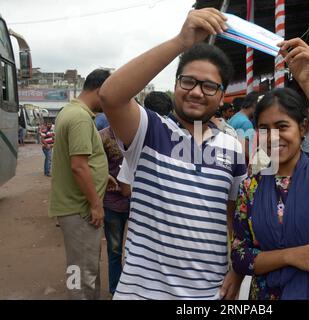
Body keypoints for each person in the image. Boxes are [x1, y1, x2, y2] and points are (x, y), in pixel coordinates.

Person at [99, 8, 247, 300]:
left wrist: (237, 270)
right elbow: (110, 95)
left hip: (208, 294)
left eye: (209, 86)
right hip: (139, 293)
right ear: (176, 84)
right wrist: (181, 41)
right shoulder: (148, 130)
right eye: (188, 81)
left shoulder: (233, 148)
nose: (196, 92)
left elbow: (236, 220)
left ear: (221, 95)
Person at [231, 37, 309, 300]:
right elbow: (241, 257)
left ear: (302, 128)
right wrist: (292, 256)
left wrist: (308, 83)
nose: (272, 137)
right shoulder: (250, 187)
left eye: (282, 126)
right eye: (264, 129)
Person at [48, 69, 111, 299]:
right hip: (80, 210)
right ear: (101, 90)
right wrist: (96, 204)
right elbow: (79, 166)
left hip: (76, 208)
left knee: (84, 267)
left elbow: (78, 161)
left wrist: (104, 176)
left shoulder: (71, 112)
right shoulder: (80, 118)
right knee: (80, 271)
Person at [99, 126, 131, 295]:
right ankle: (115, 290)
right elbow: (93, 166)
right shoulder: (102, 137)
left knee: (136, 249)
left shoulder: (137, 133)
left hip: (136, 202)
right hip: (112, 202)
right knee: (115, 249)